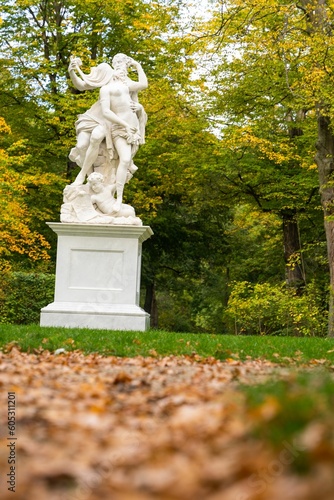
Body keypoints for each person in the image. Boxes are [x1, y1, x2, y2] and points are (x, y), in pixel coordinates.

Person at [68, 53, 148, 212]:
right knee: (81, 145)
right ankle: (86, 176)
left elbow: (143, 84)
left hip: (112, 122)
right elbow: (82, 85)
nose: (120, 66)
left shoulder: (126, 83)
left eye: (123, 63)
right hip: (96, 116)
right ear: (113, 64)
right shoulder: (106, 73)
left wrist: (138, 66)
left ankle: (84, 176)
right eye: (118, 62)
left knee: (97, 137)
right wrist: (72, 71)